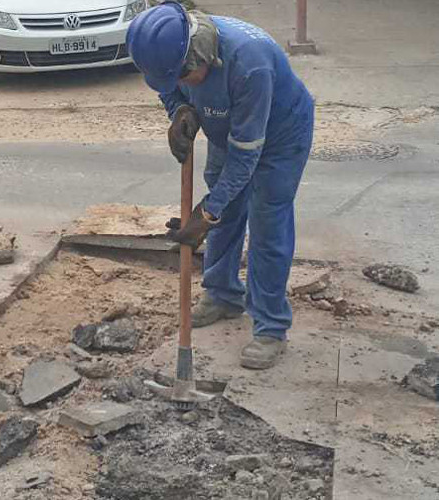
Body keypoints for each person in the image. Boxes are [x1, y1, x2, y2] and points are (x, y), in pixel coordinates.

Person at [126, 1, 315, 369]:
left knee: (266, 224)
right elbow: (167, 87)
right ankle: (223, 294)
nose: (177, 84)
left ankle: (270, 327)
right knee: (225, 209)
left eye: (182, 78)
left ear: (199, 60)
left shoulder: (250, 64)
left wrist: (207, 212)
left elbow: (246, 157)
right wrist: (179, 110)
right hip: (227, 125)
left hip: (279, 135)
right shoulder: (170, 49)